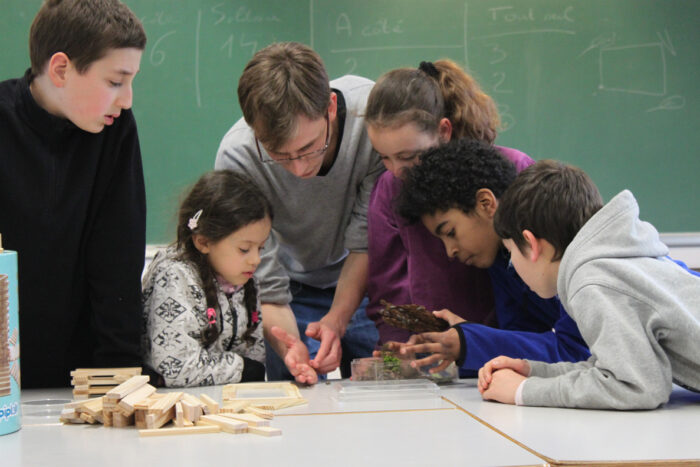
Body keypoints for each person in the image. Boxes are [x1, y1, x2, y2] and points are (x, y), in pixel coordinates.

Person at [215, 42, 384, 383]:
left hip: (365, 281)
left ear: (330, 107)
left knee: (383, 391)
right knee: (297, 391)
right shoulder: (238, 157)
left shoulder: (373, 118)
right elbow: (265, 281)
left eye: (309, 148)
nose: (299, 169)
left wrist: (338, 319)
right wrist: (291, 349)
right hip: (289, 292)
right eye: (278, 154)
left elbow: (365, 241)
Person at [0, 0, 147, 388]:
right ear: (61, 69)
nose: (127, 99)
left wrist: (118, 381)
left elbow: (118, 259)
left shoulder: (116, 129)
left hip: (82, 377)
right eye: (115, 82)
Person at [478, 160, 700, 410]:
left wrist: (523, 391)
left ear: (531, 244)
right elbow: (613, 370)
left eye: (510, 253)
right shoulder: (614, 260)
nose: (512, 266)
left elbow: (636, 387)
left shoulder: (591, 281)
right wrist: (533, 372)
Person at [364, 59, 533, 346]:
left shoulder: (513, 169)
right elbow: (388, 292)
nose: (397, 171)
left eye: (408, 156)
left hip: (509, 347)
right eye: (384, 158)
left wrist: (477, 343)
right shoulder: (389, 189)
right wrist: (399, 349)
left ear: (444, 131)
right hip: (438, 352)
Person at [391, 140, 590, 375]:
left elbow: (578, 351)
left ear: (486, 204)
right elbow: (524, 342)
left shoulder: (570, 255)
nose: (450, 251)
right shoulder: (500, 264)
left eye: (450, 233)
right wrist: (456, 342)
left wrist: (470, 341)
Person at [142, 171, 272, 387]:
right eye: (244, 249)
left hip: (221, 399)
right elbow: (177, 369)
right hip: (170, 402)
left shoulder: (244, 279)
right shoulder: (175, 277)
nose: (256, 259)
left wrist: (248, 369)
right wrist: (242, 369)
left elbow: (254, 359)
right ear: (203, 241)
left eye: (261, 248)